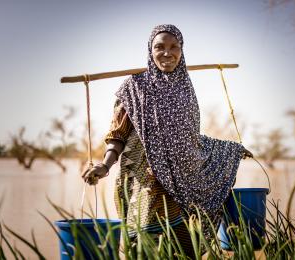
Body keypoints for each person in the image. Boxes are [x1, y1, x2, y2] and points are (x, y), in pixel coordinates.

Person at [82, 24, 253, 257]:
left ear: (182, 51)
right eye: (159, 47)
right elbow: (118, 133)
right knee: (145, 247)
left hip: (182, 183)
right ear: (149, 51)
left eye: (174, 47)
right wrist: (105, 165)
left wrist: (230, 150)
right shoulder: (135, 87)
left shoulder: (185, 89)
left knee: (184, 249)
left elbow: (188, 140)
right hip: (145, 181)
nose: (167, 53)